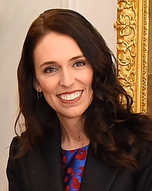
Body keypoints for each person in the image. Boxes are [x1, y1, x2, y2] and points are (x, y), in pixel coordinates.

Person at [7, 9, 152, 191]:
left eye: (78, 63)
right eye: (50, 69)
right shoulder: (22, 156)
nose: (67, 81)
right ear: (36, 82)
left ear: (96, 67)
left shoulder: (143, 145)